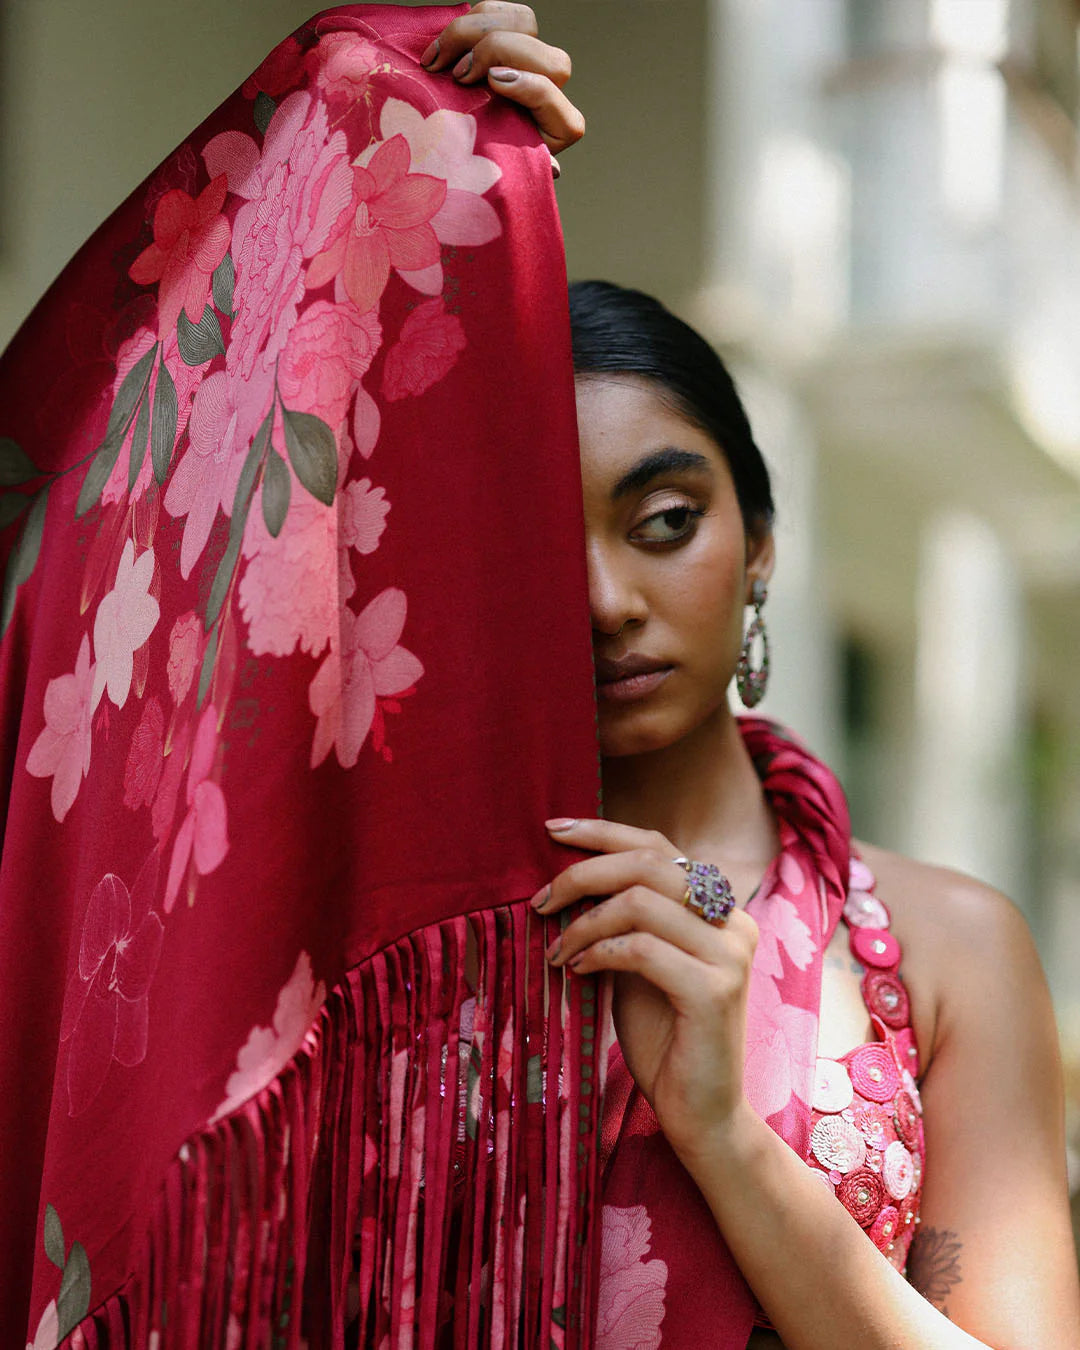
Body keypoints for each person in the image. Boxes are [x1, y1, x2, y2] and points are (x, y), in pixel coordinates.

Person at [427, 6, 1080, 1346]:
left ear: (759, 546)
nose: (608, 599)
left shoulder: (941, 952)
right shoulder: (406, 940)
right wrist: (389, 170)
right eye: (542, 546)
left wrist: (725, 1130)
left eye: (665, 522)